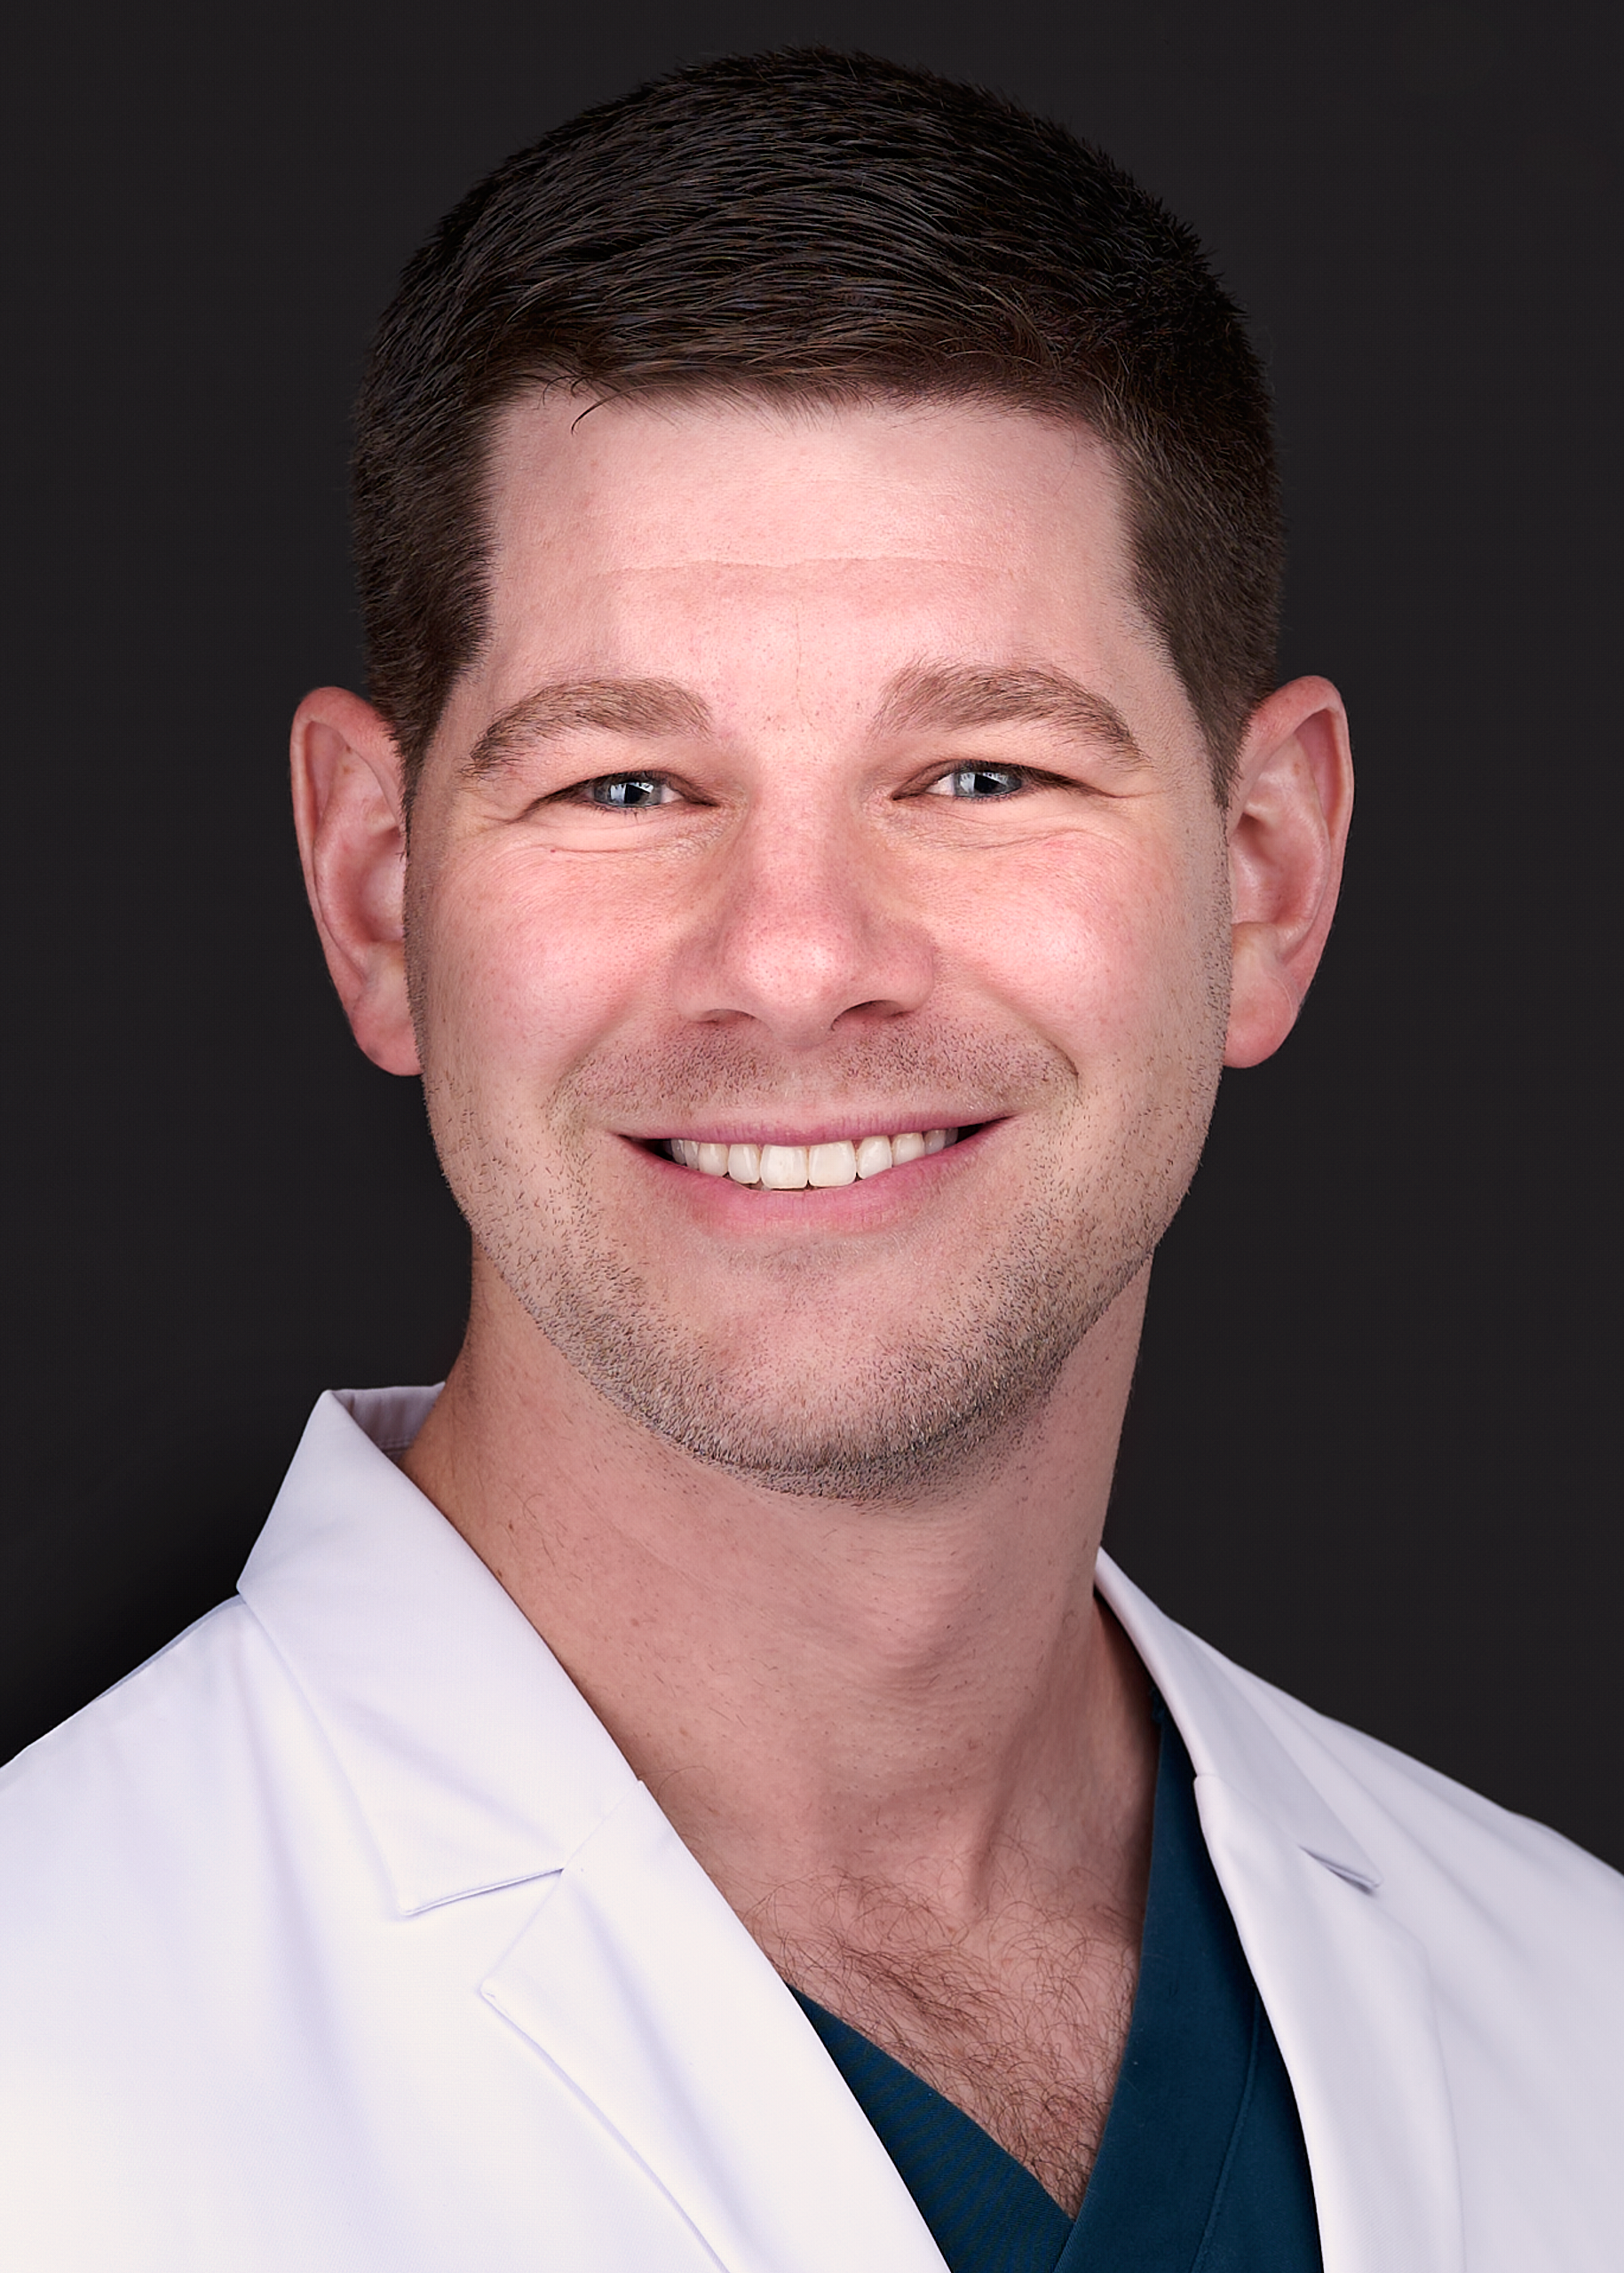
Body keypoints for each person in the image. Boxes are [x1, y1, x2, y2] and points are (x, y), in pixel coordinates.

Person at [2, 46, 1617, 2273]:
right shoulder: (43, 2063)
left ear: (1262, 875)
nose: (792, 961)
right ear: (378, 893)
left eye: (974, 775)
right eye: (623, 787)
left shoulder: (1571, 2020)